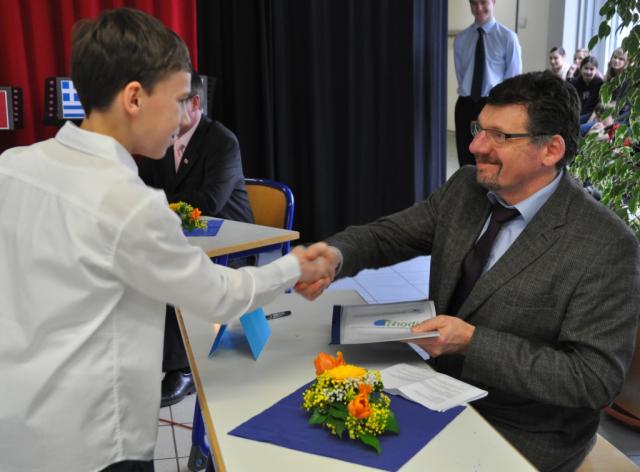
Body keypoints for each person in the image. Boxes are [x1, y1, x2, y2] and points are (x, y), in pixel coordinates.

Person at [0, 8, 333, 472]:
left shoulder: (13, 166)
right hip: (94, 442)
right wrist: (295, 265)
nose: (182, 117)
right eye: (178, 100)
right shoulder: (127, 203)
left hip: (17, 427)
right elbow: (219, 296)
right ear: (135, 98)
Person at [297, 71, 640, 471]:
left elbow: (593, 379)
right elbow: (389, 236)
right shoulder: (466, 188)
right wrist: (335, 256)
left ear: (551, 150)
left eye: (500, 136)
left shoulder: (604, 244)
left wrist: (471, 343)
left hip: (524, 432)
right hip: (434, 391)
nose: (475, 145)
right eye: (480, 129)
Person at [139, 71, 254, 407]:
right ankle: (148, 355)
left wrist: (156, 203)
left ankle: (183, 369)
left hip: (230, 243)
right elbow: (140, 188)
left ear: (195, 103)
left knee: (170, 270)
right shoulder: (160, 138)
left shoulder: (222, 141)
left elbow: (209, 202)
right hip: (181, 236)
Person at [454, 0, 522, 167]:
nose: (479, 8)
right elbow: (461, 75)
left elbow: (513, 80)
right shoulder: (461, 39)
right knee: (466, 159)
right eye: (474, 3)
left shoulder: (508, 38)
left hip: (493, 105)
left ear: (493, 2)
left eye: (483, 2)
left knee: (491, 160)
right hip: (465, 105)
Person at [569, 55, 603, 123]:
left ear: (596, 70)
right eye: (586, 68)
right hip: (576, 114)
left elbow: (596, 106)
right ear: (581, 68)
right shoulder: (574, 83)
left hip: (591, 116)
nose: (588, 72)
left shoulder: (599, 83)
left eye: (591, 69)